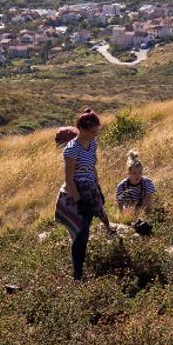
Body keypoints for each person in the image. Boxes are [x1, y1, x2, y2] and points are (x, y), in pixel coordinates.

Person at [54, 109, 116, 280]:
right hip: (76, 192)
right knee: (81, 232)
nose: (95, 135)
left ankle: (110, 231)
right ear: (81, 129)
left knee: (94, 220)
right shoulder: (71, 149)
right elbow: (68, 178)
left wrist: (99, 188)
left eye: (97, 131)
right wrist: (79, 201)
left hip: (91, 189)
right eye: (92, 132)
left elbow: (92, 168)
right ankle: (77, 273)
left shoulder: (92, 144)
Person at [115, 149, 156, 234]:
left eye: (140, 172)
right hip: (128, 209)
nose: (138, 175)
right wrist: (122, 214)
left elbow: (149, 198)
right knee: (129, 221)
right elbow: (119, 202)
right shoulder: (122, 186)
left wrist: (141, 209)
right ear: (128, 173)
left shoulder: (147, 182)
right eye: (134, 173)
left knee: (148, 214)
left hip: (144, 207)